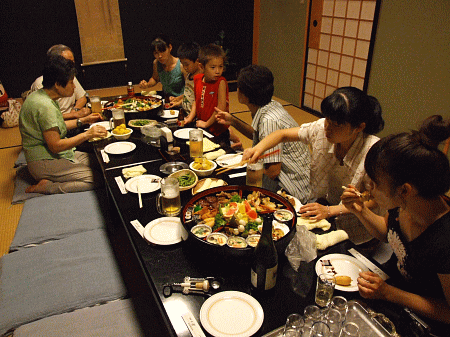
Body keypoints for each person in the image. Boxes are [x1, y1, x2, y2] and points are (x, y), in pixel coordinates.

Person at [341, 115, 450, 325]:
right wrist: (360, 210)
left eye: (374, 183)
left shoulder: (444, 240)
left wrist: (390, 293)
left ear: (405, 190)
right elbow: (387, 233)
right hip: (386, 294)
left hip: (419, 321)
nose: (368, 188)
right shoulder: (405, 205)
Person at [243, 86, 385, 245]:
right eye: (327, 119)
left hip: (358, 228)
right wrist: (256, 149)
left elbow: (374, 200)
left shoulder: (373, 152)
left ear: (359, 127)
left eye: (336, 124)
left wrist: (330, 211)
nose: (327, 128)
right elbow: (282, 134)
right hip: (325, 213)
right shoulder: (321, 128)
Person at [216, 65, 310, 202]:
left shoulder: (269, 121)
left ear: (245, 95)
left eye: (239, 87)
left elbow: (273, 172)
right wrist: (232, 121)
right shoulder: (269, 105)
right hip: (287, 178)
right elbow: (258, 137)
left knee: (230, 188)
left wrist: (244, 171)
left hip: (291, 189)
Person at [19, 55, 106, 194]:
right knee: (98, 179)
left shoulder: (44, 96)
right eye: (71, 82)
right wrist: (88, 134)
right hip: (43, 161)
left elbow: (54, 128)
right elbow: (55, 146)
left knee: (103, 163)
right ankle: (47, 187)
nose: (74, 86)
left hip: (56, 154)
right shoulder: (45, 105)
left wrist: (83, 120)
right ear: (58, 84)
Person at [183, 44, 230, 145]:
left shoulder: (220, 82)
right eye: (213, 67)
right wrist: (190, 118)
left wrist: (206, 124)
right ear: (201, 66)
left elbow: (220, 107)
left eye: (220, 66)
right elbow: (197, 101)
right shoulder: (197, 79)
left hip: (218, 130)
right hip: (202, 126)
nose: (217, 71)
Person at [30, 44, 91, 120]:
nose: (72, 66)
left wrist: (75, 110)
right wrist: (74, 115)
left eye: (73, 62)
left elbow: (82, 97)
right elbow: (48, 118)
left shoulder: (69, 77)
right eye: (68, 62)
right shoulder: (42, 85)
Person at [139, 35, 186, 106]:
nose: (160, 56)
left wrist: (178, 98)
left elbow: (190, 89)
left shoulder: (181, 65)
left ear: (170, 47)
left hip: (181, 101)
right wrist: (147, 85)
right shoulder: (156, 63)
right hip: (166, 100)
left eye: (162, 51)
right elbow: (155, 78)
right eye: (156, 53)